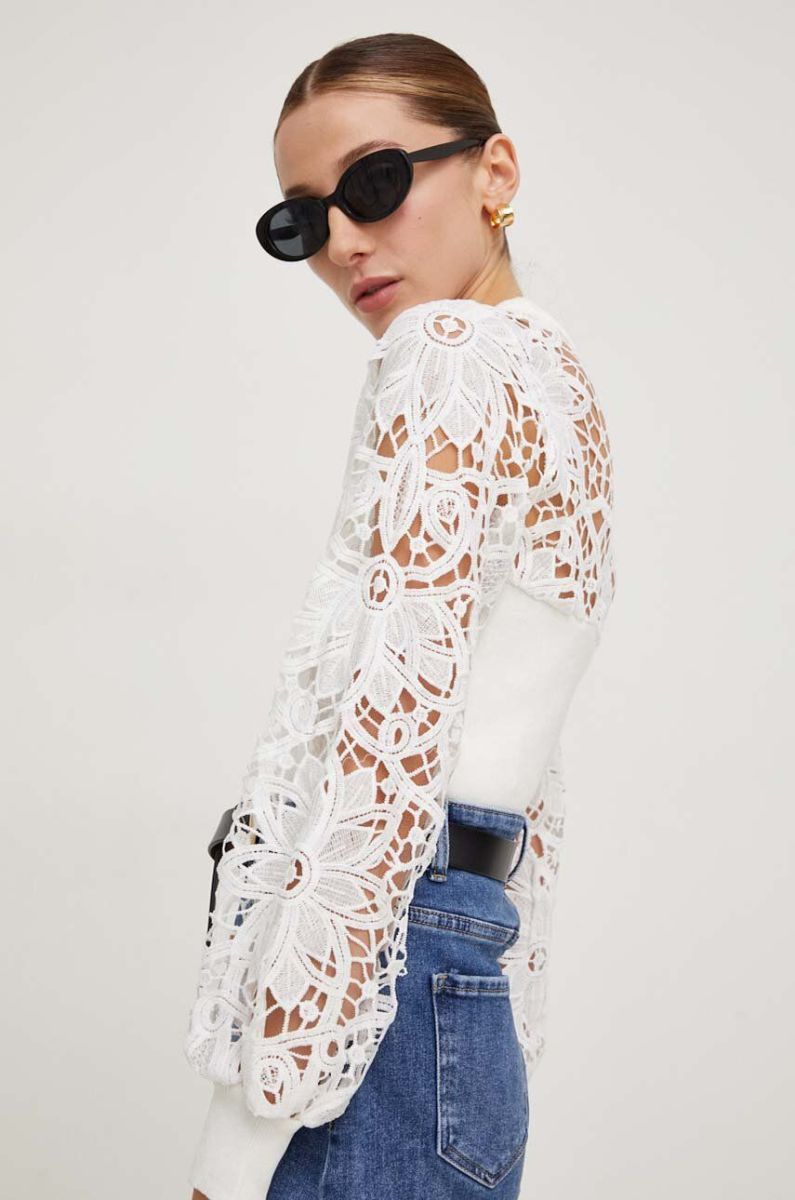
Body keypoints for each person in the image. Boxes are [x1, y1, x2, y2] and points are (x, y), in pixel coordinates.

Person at [183, 31, 617, 1200]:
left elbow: (375, 774)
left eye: (374, 183)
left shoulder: (447, 352)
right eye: (301, 221)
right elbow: (518, 762)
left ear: (495, 172)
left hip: (367, 1019)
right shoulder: (560, 380)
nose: (342, 243)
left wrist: (232, 1154)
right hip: (459, 995)